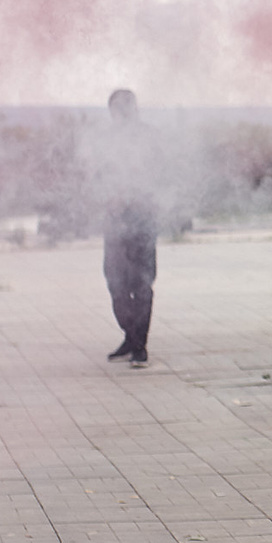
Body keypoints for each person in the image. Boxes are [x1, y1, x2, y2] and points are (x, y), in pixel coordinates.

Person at [93, 89, 158, 367]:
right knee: (116, 283)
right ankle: (130, 336)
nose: (118, 114)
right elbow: (97, 176)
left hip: (143, 220)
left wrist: (140, 196)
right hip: (114, 221)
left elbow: (163, 177)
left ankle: (139, 345)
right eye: (115, 109)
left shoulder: (150, 138)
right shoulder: (106, 140)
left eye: (123, 108)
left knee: (141, 283)